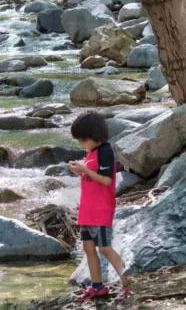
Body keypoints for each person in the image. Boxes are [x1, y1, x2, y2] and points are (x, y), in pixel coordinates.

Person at [68, 111, 133, 302]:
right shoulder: (92, 153)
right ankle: (97, 287)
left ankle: (128, 283)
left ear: (95, 136)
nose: (81, 143)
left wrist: (84, 169)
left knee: (104, 248)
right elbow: (91, 178)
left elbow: (106, 180)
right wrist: (80, 171)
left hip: (101, 210)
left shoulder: (105, 151)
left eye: (83, 139)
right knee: (88, 248)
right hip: (87, 211)